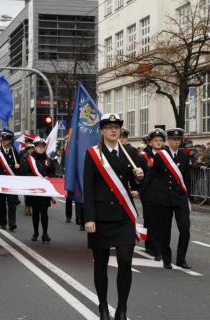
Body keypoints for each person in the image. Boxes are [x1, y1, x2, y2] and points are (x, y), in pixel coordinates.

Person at [83, 113, 144, 320]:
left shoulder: (129, 153)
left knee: (125, 261)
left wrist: (138, 178)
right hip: (100, 217)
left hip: (123, 216)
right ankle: (102, 307)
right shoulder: (93, 154)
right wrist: (89, 218)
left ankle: (122, 307)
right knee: (100, 264)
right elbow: (88, 189)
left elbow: (134, 186)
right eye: (108, 127)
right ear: (101, 131)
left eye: (116, 127)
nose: (113, 130)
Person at [142, 128, 192, 269]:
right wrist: (142, 190)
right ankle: (167, 258)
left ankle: (181, 259)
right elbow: (152, 175)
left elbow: (187, 179)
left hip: (180, 198)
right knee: (165, 230)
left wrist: (189, 197)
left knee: (185, 228)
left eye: (178, 140)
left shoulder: (184, 156)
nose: (176, 142)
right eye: (173, 139)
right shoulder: (161, 156)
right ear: (168, 141)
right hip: (164, 199)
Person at [139, 128, 165, 259]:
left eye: (160, 140)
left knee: (161, 221)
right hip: (148, 193)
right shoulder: (144, 157)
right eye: (156, 140)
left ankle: (158, 246)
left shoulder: (166, 155)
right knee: (151, 220)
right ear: (150, 142)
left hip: (163, 194)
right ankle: (154, 247)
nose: (158, 142)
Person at [22, 137, 56, 242]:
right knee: (35, 212)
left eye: (43, 147)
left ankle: (45, 234)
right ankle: (35, 233)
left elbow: (52, 173)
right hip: (34, 190)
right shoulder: (29, 159)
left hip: (45, 191)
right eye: (39, 147)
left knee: (44, 212)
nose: (41, 149)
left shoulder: (48, 160)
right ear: (35, 147)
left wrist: (48, 177)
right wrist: (36, 179)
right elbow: (25, 173)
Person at [0, 129, 21, 231]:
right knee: (1, 203)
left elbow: (20, 166)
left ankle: (12, 223)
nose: (6, 142)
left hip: (11, 181)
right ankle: (3, 222)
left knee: (12, 202)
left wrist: (18, 166)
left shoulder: (14, 152)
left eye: (8, 140)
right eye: (4, 140)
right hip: (0, 181)